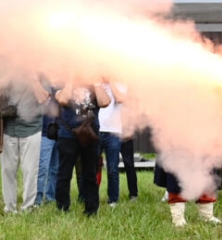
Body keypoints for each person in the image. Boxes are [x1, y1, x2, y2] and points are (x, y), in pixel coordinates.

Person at [54, 80, 111, 216]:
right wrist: (70, 79)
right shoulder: (63, 82)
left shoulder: (96, 85)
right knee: (64, 173)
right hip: (67, 134)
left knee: (90, 173)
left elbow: (105, 102)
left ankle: (91, 209)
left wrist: (96, 83)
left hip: (90, 135)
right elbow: (62, 100)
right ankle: (63, 208)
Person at [1, 77, 48, 213]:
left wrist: (32, 76)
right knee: (7, 170)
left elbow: (43, 98)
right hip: (9, 128)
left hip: (31, 128)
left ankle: (27, 207)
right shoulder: (9, 70)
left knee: (30, 171)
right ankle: (9, 207)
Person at [97, 80, 128, 207]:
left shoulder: (121, 84)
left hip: (114, 132)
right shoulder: (96, 84)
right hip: (96, 130)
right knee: (93, 167)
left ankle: (113, 199)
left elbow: (121, 99)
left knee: (112, 169)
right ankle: (92, 196)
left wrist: (111, 82)